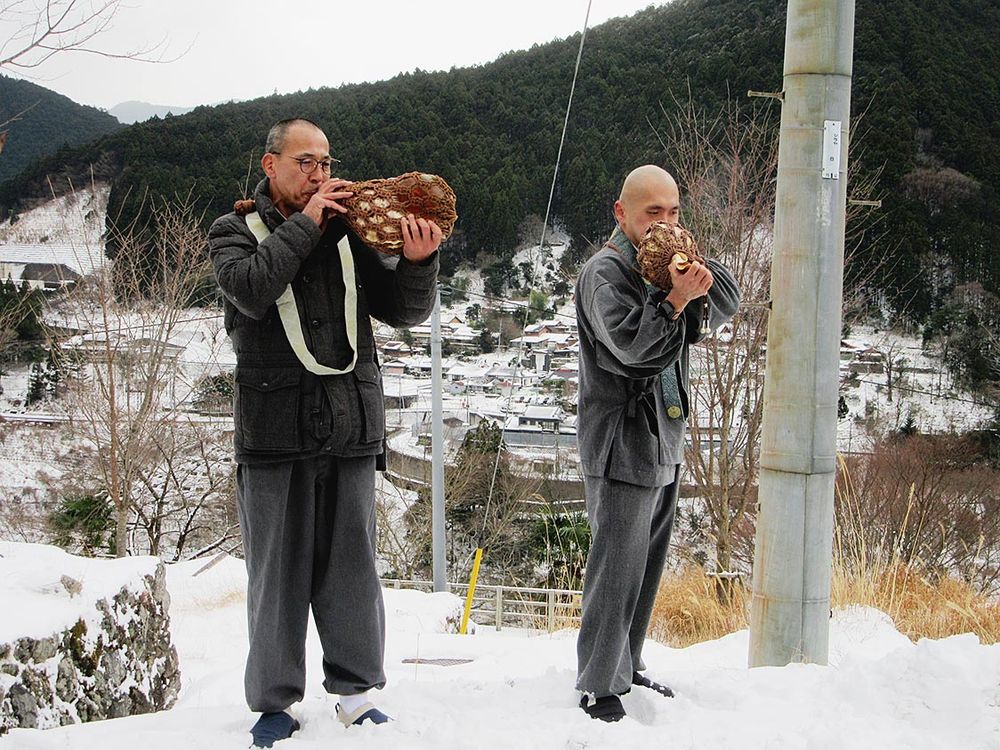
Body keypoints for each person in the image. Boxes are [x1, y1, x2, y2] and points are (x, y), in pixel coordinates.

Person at [209, 118, 442, 747]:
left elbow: (403, 310)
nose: (319, 172)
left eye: (326, 161)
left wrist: (417, 262)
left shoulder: (349, 232)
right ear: (270, 165)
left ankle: (356, 692)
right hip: (273, 431)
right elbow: (253, 291)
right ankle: (274, 701)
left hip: (349, 425)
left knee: (351, 570)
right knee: (275, 574)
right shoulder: (233, 233)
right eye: (305, 161)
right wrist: (309, 222)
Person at [574, 164, 740, 722]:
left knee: (645, 567)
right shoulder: (606, 272)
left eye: (673, 213)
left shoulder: (672, 266)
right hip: (621, 440)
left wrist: (687, 272)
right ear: (622, 214)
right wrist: (672, 301)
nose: (664, 224)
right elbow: (633, 350)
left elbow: (728, 300)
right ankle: (599, 685)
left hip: (665, 435)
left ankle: (628, 660)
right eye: (653, 214)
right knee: (615, 567)